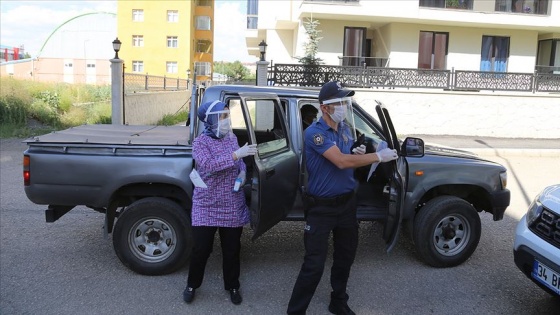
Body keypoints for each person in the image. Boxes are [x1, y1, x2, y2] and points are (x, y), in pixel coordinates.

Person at [287, 81, 398, 315]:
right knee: (314, 264)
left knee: (345, 257)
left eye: (345, 102)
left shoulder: (345, 128)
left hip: (347, 205)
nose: (344, 106)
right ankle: (295, 311)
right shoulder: (315, 133)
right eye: (339, 102)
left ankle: (338, 301)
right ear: (325, 108)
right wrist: (377, 156)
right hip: (321, 209)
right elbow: (340, 161)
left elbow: (346, 157)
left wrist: (356, 152)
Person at [183, 100, 258, 305]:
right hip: (206, 204)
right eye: (223, 116)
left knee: (232, 249)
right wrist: (236, 155)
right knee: (201, 249)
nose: (227, 120)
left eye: (227, 116)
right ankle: (192, 285)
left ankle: (233, 286)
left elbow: (240, 162)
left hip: (231, 203)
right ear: (212, 119)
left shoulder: (231, 137)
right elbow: (210, 166)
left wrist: (242, 172)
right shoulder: (200, 143)